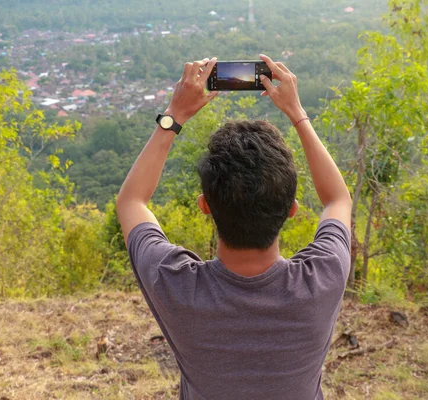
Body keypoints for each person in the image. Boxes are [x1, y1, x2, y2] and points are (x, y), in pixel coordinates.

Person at [116, 54, 352, 400]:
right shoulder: (321, 280)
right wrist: (297, 114)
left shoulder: (177, 285)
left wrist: (174, 116)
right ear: (292, 211)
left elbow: (131, 201)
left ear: (205, 207)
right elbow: (338, 200)